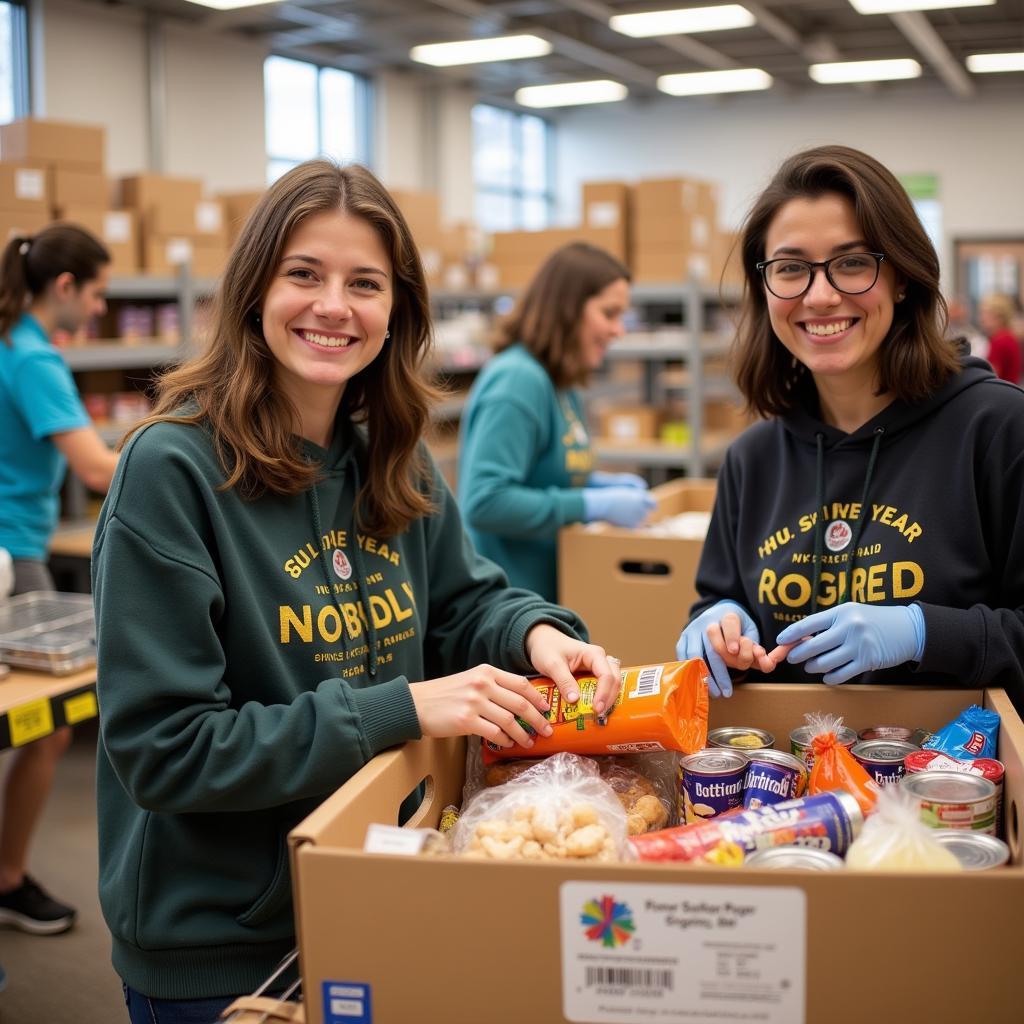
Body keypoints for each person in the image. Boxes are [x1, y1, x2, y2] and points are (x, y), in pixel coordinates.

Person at [91, 161, 619, 1022]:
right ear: (254, 288)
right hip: (227, 944)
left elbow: (462, 603)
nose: (333, 306)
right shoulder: (172, 469)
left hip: (383, 879)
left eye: (364, 284)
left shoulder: (391, 451)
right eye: (304, 274)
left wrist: (531, 632)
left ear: (396, 314)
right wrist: (399, 709)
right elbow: (165, 748)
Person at [675, 144, 1024, 715]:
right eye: (790, 268)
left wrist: (923, 632)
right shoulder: (752, 458)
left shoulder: (998, 429)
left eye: (853, 262)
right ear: (765, 291)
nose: (820, 295)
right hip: (785, 785)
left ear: (904, 278)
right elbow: (721, 599)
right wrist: (718, 629)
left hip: (952, 786)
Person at [0, 223, 118, 936]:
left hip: (17, 545)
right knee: (44, 728)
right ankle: (8, 878)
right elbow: (97, 470)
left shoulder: (12, 341)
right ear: (66, 287)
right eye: (98, 293)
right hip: (17, 555)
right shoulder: (35, 357)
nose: (101, 309)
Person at [458, 242, 655, 602]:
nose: (618, 330)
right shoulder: (518, 381)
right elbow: (485, 501)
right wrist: (590, 504)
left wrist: (596, 485)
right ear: (566, 309)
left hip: (550, 594)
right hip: (506, 605)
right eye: (609, 313)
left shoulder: (561, 383)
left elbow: (547, 473)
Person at [978, 292, 1021, 383]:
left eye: (985, 313)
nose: (981, 318)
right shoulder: (1008, 336)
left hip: (1003, 393)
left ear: (999, 316)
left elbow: (991, 377)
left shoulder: (1000, 341)